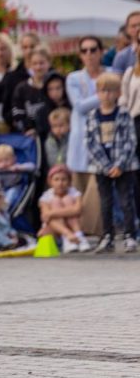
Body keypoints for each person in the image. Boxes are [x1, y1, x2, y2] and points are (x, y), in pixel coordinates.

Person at [86, 72, 139, 253]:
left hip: (124, 166)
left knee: (126, 200)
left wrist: (119, 164)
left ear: (118, 93)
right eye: (103, 91)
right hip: (102, 167)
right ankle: (107, 236)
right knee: (105, 202)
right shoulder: (92, 116)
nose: (107, 95)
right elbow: (91, 143)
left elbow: (130, 141)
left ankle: (130, 235)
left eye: (111, 91)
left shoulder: (124, 114)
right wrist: (107, 166)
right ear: (97, 93)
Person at [67, 35, 106, 232]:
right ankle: (76, 233)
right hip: (80, 143)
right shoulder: (73, 78)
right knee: (77, 192)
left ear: (101, 52)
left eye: (93, 50)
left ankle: (92, 232)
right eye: (84, 50)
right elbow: (79, 106)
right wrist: (105, 95)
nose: (89, 54)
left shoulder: (111, 73)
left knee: (96, 193)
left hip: (104, 142)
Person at [39, 165, 89, 252]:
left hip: (72, 224)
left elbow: (77, 210)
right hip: (55, 230)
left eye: (64, 179)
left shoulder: (75, 193)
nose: (60, 183)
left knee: (68, 199)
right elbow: (45, 216)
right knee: (55, 201)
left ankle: (78, 236)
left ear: (69, 181)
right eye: (56, 179)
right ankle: (68, 236)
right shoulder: (46, 196)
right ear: (50, 181)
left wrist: (52, 213)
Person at [11, 48, 53, 136]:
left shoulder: (55, 85)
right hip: (30, 137)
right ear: (30, 65)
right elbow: (17, 114)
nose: (38, 67)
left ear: (49, 63)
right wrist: (28, 129)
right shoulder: (21, 88)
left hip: (54, 132)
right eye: (35, 63)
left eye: (42, 63)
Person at [0, 33, 39, 127]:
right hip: (22, 132)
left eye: (32, 46)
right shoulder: (12, 77)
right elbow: (7, 109)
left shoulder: (49, 74)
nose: (29, 51)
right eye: (25, 47)